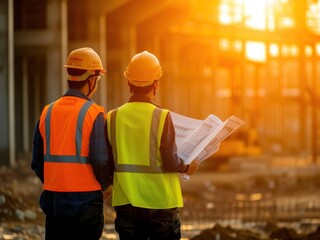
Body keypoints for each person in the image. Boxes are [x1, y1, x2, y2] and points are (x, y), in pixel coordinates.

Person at [106, 50, 199, 240]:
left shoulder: (112, 117)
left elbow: (107, 161)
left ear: (128, 82)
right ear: (156, 84)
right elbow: (170, 162)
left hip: (126, 203)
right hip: (161, 204)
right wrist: (188, 167)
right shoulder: (162, 116)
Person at [31, 47, 113, 240]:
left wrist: (57, 180)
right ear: (91, 79)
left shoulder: (47, 112)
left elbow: (36, 162)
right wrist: (106, 185)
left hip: (54, 201)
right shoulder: (94, 113)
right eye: (98, 79)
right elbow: (100, 158)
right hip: (85, 201)